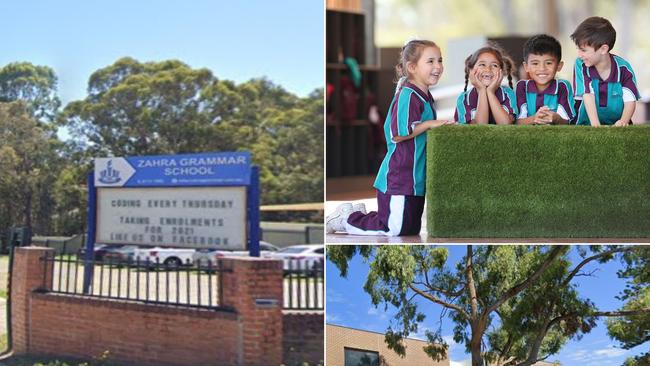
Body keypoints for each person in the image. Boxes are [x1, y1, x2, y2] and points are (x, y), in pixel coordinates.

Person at [326, 39, 454, 236]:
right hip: (399, 178)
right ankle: (347, 219)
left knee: (409, 228)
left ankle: (356, 214)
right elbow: (398, 133)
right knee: (394, 229)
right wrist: (430, 124)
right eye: (430, 61)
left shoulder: (425, 96)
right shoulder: (408, 95)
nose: (438, 66)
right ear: (412, 67)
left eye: (440, 60)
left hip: (415, 179)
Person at [571, 16, 640, 126]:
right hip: (586, 123)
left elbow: (630, 98)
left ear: (603, 49)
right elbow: (587, 94)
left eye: (583, 50)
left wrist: (623, 121)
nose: (579, 54)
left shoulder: (624, 68)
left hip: (617, 121)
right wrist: (596, 125)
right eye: (578, 49)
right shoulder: (581, 64)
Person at [516, 34, 575, 125]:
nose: (542, 68)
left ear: (559, 66)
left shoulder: (562, 87)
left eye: (548, 63)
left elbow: (568, 122)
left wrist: (556, 118)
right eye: (535, 63)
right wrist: (534, 118)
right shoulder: (521, 87)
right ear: (526, 67)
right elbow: (516, 122)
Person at [455, 43, 518, 124]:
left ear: (501, 72)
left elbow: (505, 124)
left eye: (494, 65)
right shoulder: (463, 99)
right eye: (482, 65)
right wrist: (482, 90)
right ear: (470, 70)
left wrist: (490, 92)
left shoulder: (508, 94)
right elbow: (480, 128)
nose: (488, 69)